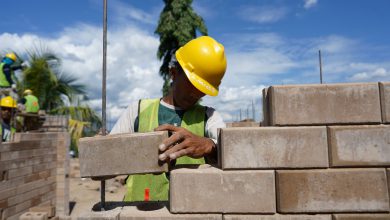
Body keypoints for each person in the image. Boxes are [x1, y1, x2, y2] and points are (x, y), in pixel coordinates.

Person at [110, 36, 227, 202]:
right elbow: (107, 162)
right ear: (173, 73)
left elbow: (233, 150)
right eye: (192, 84)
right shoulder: (137, 110)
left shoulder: (210, 117)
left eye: (203, 89)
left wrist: (210, 145)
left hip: (191, 211)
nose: (196, 93)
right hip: (139, 210)